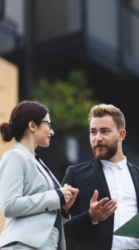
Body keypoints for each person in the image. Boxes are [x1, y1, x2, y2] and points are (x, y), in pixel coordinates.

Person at [62, 104, 139, 250]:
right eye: (93, 132)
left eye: (105, 131)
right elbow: (61, 226)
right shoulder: (76, 174)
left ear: (121, 135)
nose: (97, 138)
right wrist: (90, 217)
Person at [0, 101, 79, 250]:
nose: (52, 131)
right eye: (49, 125)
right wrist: (56, 196)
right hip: (23, 246)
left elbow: (45, 217)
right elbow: (8, 205)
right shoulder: (14, 156)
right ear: (32, 125)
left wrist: (63, 208)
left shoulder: (37, 162)